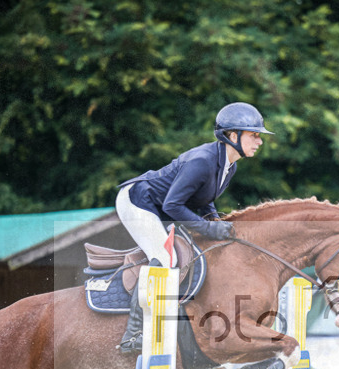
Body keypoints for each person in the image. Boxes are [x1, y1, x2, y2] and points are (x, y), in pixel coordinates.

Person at [114, 102, 273, 352]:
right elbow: (173, 204)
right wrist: (209, 229)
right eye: (254, 135)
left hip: (161, 207)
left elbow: (201, 196)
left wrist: (212, 218)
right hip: (138, 202)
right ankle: (133, 335)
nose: (259, 141)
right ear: (233, 135)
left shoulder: (230, 166)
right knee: (165, 258)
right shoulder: (202, 160)